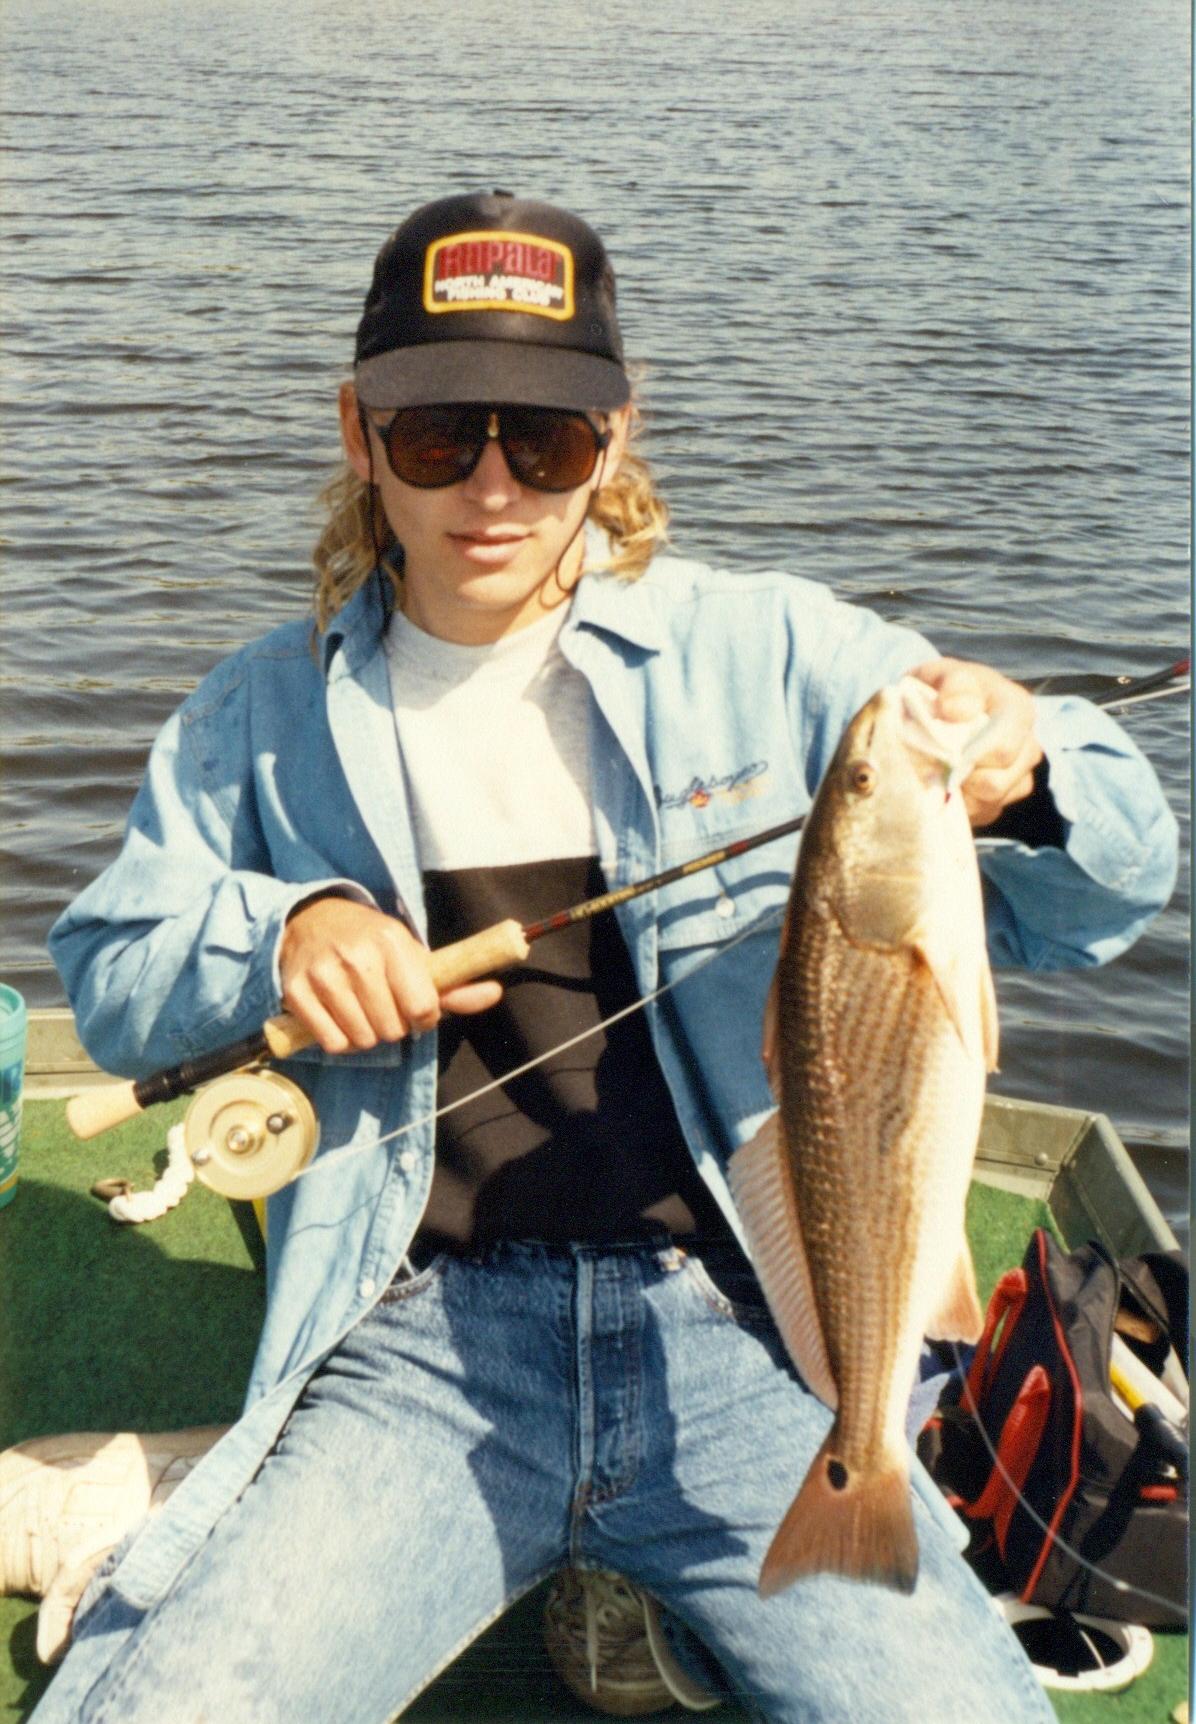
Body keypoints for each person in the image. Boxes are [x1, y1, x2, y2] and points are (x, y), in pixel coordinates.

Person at [30, 189, 1176, 1723]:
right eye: (440, 436)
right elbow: (111, 967)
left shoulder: (775, 654)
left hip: (753, 1332)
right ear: (359, 433)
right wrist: (283, 935)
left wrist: (1032, 762)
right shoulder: (260, 715)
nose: (492, 488)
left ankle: (683, 1588)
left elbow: (1103, 895)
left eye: (546, 439)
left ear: (615, 442)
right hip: (419, 1342)